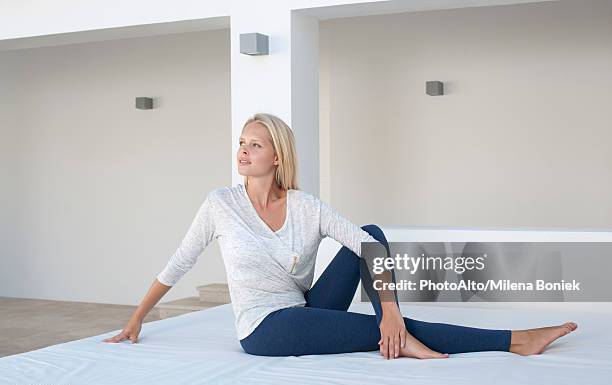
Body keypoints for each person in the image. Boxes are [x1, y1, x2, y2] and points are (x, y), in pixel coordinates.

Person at [103, 112, 578, 359]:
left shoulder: (306, 206)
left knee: (370, 235)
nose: (243, 151)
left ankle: (393, 325)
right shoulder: (220, 205)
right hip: (266, 326)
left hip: (307, 306)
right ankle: (515, 340)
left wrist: (390, 311)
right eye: (241, 143)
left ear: (277, 156)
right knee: (379, 329)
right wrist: (137, 319)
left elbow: (367, 245)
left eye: (255, 144)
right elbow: (177, 263)